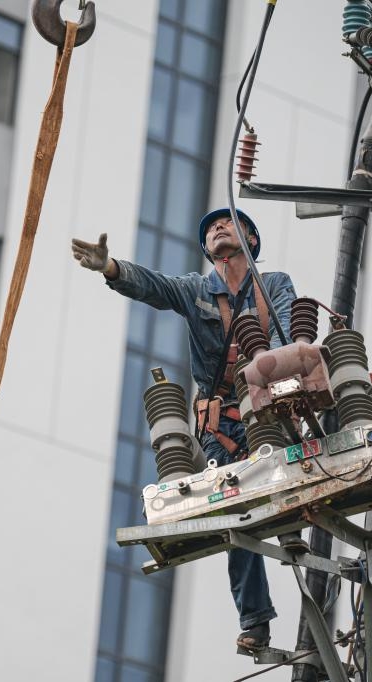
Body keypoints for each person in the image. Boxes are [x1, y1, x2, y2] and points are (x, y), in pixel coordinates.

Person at [71, 208, 297, 651]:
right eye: (212, 227)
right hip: (222, 425)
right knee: (235, 511)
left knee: (282, 470)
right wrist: (110, 268)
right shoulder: (198, 291)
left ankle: (292, 524)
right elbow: (155, 286)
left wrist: (272, 367)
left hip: (269, 409)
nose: (217, 227)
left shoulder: (274, 286)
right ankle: (255, 619)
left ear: (251, 241)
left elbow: (288, 335)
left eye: (228, 223)